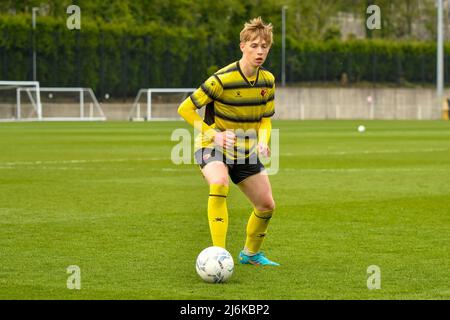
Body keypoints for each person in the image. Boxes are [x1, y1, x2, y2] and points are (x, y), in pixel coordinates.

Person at [177, 17, 278, 266]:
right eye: (254, 45)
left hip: (244, 151)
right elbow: (185, 109)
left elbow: (265, 119)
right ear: (242, 45)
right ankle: (218, 255)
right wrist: (214, 134)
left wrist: (264, 141)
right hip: (211, 146)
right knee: (219, 182)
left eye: (264, 46)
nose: (260, 51)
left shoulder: (268, 81)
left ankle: (250, 254)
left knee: (266, 205)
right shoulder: (221, 80)